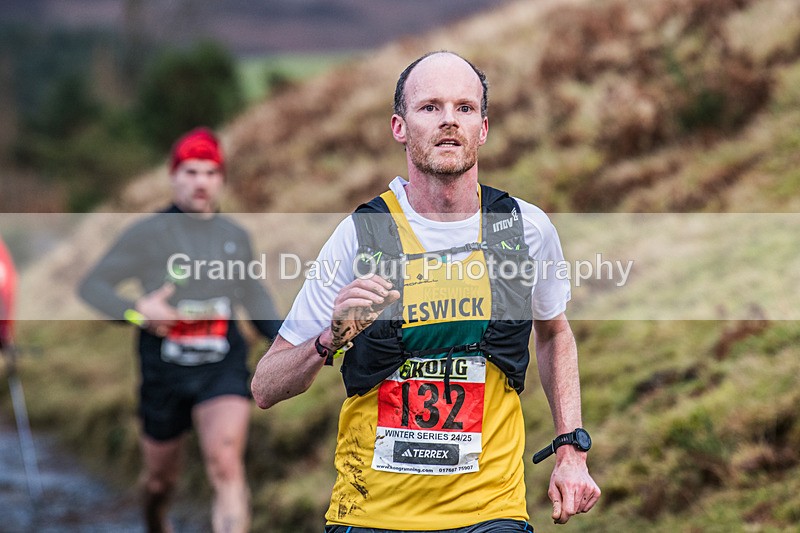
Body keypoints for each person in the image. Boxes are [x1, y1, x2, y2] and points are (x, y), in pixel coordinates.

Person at [251, 51, 600, 532]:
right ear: (399, 126)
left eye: (465, 107)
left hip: (490, 511)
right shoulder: (360, 236)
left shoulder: (524, 229)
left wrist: (571, 449)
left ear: (483, 127)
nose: (449, 121)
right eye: (430, 107)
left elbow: (554, 335)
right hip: (373, 513)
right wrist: (329, 340)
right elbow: (265, 387)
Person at [79, 127, 281, 533]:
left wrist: (296, 343)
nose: (200, 182)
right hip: (164, 372)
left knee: (226, 464)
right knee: (160, 482)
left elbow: (254, 299)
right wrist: (138, 311)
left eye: (209, 172)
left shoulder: (234, 237)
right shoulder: (147, 233)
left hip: (221, 368)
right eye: (190, 172)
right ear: (173, 177)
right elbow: (92, 286)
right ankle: (155, 521)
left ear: (221, 179)